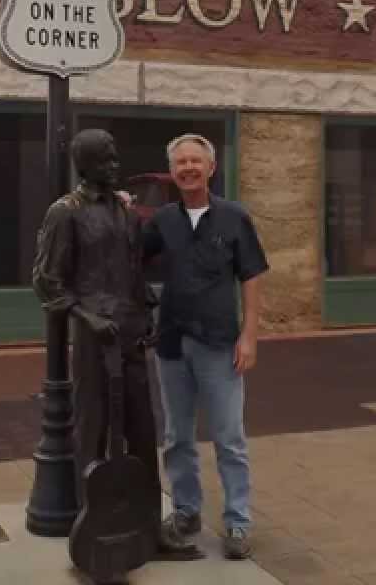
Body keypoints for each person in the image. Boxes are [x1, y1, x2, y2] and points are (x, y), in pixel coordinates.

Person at [32, 129, 200, 563]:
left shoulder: (127, 215)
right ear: (85, 164)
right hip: (93, 341)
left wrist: (146, 313)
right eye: (106, 159)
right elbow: (47, 280)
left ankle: (148, 526)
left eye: (115, 157)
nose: (114, 165)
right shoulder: (64, 213)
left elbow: (133, 272)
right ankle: (93, 531)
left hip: (130, 335)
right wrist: (86, 317)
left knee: (143, 433)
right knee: (93, 432)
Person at [144, 133, 269, 560]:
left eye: (196, 161)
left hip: (219, 344)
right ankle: (185, 513)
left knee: (228, 437)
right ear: (172, 171)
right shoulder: (162, 221)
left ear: (211, 168)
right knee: (177, 436)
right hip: (172, 343)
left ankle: (236, 522)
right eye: (181, 162)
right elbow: (129, 257)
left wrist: (249, 335)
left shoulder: (235, 218)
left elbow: (251, 277)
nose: (189, 168)